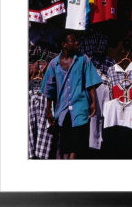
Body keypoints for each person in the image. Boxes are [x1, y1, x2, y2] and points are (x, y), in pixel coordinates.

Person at [40, 31, 102, 159]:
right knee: (64, 143)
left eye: (76, 40)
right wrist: (48, 110)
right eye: (73, 41)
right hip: (62, 109)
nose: (77, 43)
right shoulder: (54, 64)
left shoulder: (83, 60)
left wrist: (93, 102)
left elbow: (90, 82)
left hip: (80, 106)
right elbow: (49, 89)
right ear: (64, 44)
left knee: (77, 143)